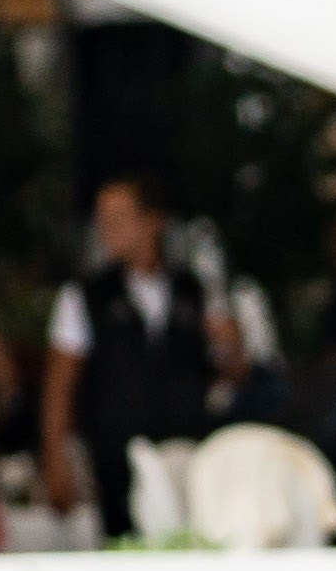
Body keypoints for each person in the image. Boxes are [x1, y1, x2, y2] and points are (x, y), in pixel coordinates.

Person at [39, 177, 242, 538]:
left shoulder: (194, 291)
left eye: (118, 218)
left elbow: (230, 374)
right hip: (118, 466)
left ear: (152, 221)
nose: (107, 229)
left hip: (190, 458)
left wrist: (230, 342)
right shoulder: (83, 297)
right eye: (101, 220)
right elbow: (59, 386)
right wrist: (54, 461)